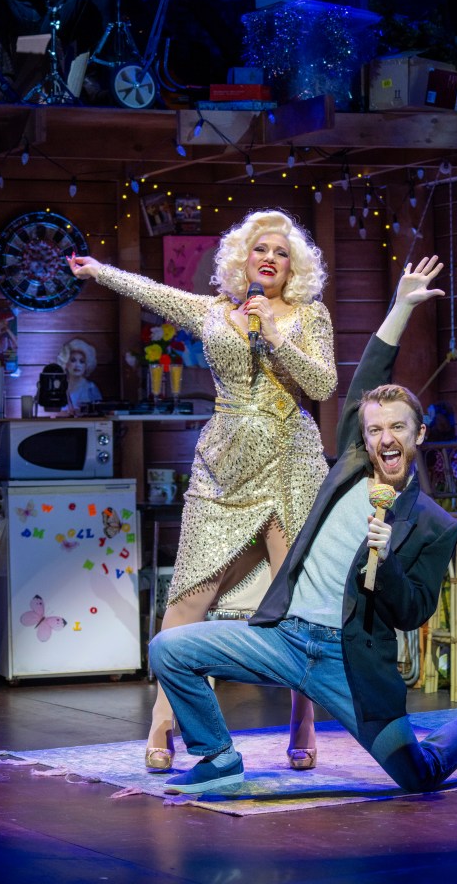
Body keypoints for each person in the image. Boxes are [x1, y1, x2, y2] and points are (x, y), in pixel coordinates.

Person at [146, 255, 457, 795]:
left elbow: (413, 610)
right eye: (375, 430)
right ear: (363, 438)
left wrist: (387, 560)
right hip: (282, 636)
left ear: (417, 436)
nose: (385, 438)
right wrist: (400, 307)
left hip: (345, 661)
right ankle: (218, 757)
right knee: (170, 648)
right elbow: (370, 372)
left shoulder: (433, 524)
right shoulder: (348, 468)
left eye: (398, 428)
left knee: (416, 775)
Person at [68, 209, 337, 773]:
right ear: (243, 258)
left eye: (282, 252)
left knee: (293, 601)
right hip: (224, 466)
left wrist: (273, 336)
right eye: (261, 248)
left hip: (291, 464)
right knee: (190, 593)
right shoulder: (213, 310)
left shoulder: (310, 315)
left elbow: (322, 384)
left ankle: (303, 717)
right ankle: (163, 720)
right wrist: (99, 270)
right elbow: (153, 293)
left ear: (294, 267)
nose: (270, 257)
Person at [56, 337, 102, 414]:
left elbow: (99, 412)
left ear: (87, 365)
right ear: (66, 363)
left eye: (82, 361)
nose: (77, 365)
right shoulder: (60, 387)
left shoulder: (91, 388)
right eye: (73, 360)